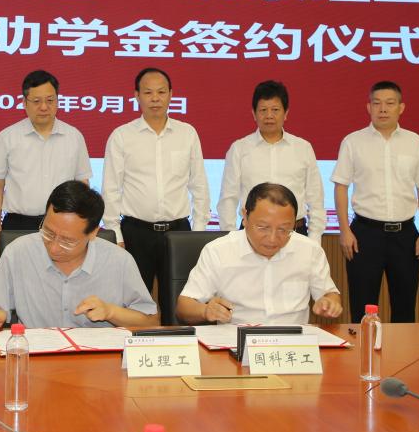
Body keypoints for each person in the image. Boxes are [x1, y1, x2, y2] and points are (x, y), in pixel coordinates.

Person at [0, 181, 157, 334]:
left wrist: (111, 312)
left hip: (97, 360)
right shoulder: (17, 253)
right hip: (37, 357)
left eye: (67, 241)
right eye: (48, 233)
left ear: (93, 233)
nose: (54, 247)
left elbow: (151, 322)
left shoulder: (120, 261)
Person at [331, 81, 419, 323]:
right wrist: (345, 230)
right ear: (369, 107)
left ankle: (404, 349)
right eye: (377, 103)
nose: (383, 109)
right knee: (362, 308)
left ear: (401, 107)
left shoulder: (415, 143)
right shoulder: (353, 142)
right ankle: (364, 348)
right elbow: (340, 187)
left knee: (405, 308)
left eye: (390, 103)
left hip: (405, 235)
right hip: (364, 235)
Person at [101, 68, 210, 293]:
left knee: (179, 301)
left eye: (161, 92)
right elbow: (111, 189)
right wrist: (116, 234)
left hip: (179, 232)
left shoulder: (187, 133)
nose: (155, 98)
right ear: (136, 95)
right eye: (148, 92)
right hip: (135, 233)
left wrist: (198, 233)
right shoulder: (122, 136)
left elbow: (199, 185)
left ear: (171, 94)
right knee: (134, 301)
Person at [176, 183, 342, 325]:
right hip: (236, 343)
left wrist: (330, 302)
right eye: (263, 227)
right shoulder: (218, 251)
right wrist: (205, 311)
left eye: (283, 229)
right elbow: (184, 306)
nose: (272, 238)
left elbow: (330, 294)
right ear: (245, 217)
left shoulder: (309, 250)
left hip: (292, 344)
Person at [0, 70, 92, 259]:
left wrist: (84, 227)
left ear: (57, 101)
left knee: (62, 277)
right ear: (24, 103)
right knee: (17, 278)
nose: (44, 107)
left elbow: (82, 185)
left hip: (63, 226)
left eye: (50, 100)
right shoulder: (7, 137)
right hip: (18, 226)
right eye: (36, 101)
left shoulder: (74, 137)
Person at [216, 80, 326, 241]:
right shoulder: (239, 149)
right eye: (263, 110)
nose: (269, 116)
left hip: (294, 233)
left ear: (286, 113)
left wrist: (314, 240)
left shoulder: (303, 148)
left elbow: (316, 199)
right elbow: (228, 199)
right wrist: (231, 240)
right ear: (254, 114)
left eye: (275, 110)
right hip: (251, 234)